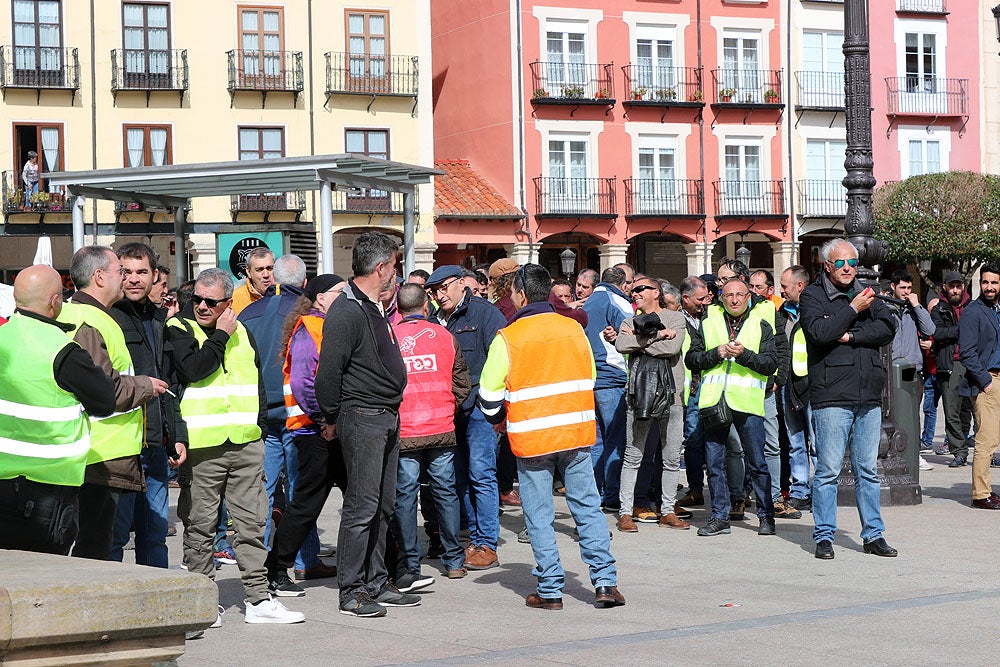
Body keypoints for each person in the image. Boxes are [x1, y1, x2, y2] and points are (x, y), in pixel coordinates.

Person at [479, 263, 625, 611]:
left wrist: (500, 420)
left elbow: (488, 397)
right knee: (587, 508)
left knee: (539, 515)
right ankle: (605, 582)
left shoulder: (508, 337)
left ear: (520, 294)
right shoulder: (574, 329)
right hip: (576, 433)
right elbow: (590, 377)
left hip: (531, 439)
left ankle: (549, 589)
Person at [166, 268, 304, 623]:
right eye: (197, 299)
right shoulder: (179, 328)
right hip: (202, 447)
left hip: (245, 444)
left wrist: (259, 429)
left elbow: (256, 384)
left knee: (252, 524)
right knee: (200, 525)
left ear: (228, 303)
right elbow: (193, 369)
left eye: (210, 302)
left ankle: (258, 599)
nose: (201, 306)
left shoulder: (243, 331)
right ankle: (202, 602)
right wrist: (220, 335)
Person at [315, 231, 418, 617]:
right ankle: (352, 590)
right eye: (394, 266)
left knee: (383, 505)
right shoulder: (346, 310)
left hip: (385, 415)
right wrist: (332, 416)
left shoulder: (374, 307)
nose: (396, 273)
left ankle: (376, 581)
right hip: (362, 416)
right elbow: (328, 374)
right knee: (362, 506)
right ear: (380, 268)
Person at [58, 246, 167, 561]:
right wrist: (145, 385)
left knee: (108, 543)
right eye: (121, 270)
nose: (126, 278)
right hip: (103, 455)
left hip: (108, 451)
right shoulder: (91, 321)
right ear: (99, 276)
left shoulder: (85, 315)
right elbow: (103, 389)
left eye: (138, 272)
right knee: (102, 548)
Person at [0, 265, 115, 554]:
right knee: (43, 571)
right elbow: (105, 401)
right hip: (46, 490)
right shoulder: (63, 350)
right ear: (54, 301)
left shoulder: (3, 337)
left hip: (4, 481)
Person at [238, 255, 335, 582]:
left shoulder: (248, 313)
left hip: (261, 413)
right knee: (300, 490)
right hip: (298, 412)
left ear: (273, 279)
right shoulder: (307, 315)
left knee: (263, 491)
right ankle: (305, 560)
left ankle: (262, 565)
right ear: (305, 283)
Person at [800, 239, 897, 559]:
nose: (847, 269)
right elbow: (819, 333)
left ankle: (874, 535)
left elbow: (887, 328)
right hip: (832, 395)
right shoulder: (813, 295)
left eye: (852, 263)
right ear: (827, 265)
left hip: (868, 394)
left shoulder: (868, 293)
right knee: (828, 470)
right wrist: (853, 309)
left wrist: (851, 335)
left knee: (867, 470)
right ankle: (824, 535)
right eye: (840, 263)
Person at [265, 274, 350, 597]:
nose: (345, 296)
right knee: (306, 504)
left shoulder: (325, 325)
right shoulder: (308, 329)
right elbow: (303, 382)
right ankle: (276, 569)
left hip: (326, 428)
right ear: (320, 298)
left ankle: (389, 564)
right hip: (314, 430)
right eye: (339, 291)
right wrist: (324, 417)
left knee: (357, 499)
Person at [425, 264, 507, 571]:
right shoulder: (434, 321)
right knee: (457, 475)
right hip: (447, 410)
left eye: (443, 287)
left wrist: (495, 408)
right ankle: (471, 534)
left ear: (462, 284)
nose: (439, 295)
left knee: (481, 473)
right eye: (434, 291)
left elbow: (500, 361)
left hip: (478, 408)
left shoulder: (485, 314)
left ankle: (486, 543)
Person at [686, 277, 778, 537]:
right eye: (729, 295)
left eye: (740, 295)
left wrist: (744, 355)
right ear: (721, 298)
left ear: (748, 297)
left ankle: (766, 516)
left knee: (757, 463)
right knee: (715, 464)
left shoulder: (761, 323)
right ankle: (719, 517)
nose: (735, 300)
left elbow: (770, 364)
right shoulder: (708, 321)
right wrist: (717, 353)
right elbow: (692, 359)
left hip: (747, 402)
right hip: (715, 401)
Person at [391, 284, 471, 585]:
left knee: (405, 496)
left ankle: (411, 564)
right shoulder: (445, 336)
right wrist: (449, 407)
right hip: (441, 427)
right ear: (426, 306)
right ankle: (454, 561)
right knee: (445, 492)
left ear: (398, 309)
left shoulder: (390, 337)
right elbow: (462, 383)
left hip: (405, 431)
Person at [109, 243, 183, 568]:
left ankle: (158, 597)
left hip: (154, 445)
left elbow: (170, 384)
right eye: (126, 271)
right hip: (119, 446)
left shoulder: (159, 319)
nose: (134, 279)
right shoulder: (108, 317)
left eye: (142, 272)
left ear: (155, 276)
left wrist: (176, 435)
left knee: (155, 535)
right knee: (114, 539)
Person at [614, 277, 687, 531]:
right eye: (632, 290)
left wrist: (640, 340)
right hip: (639, 396)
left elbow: (672, 348)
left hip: (672, 396)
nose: (634, 293)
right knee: (633, 456)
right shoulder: (628, 322)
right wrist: (658, 335)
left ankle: (667, 510)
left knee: (671, 458)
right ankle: (625, 512)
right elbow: (621, 344)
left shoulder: (675, 318)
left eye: (639, 289)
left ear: (656, 292)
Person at [582, 267, 633, 512]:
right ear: (623, 285)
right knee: (615, 440)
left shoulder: (588, 302)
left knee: (597, 441)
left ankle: (598, 492)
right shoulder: (617, 301)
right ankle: (612, 495)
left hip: (590, 377)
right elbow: (632, 333)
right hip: (612, 376)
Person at [958, 264, 1000, 510]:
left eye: (994, 282)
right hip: (988, 382)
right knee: (987, 439)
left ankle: (987, 490)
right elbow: (967, 352)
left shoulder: (998, 309)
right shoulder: (973, 312)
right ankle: (980, 494)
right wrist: (985, 381)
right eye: (985, 282)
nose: (989, 287)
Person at [887, 269, 936, 472]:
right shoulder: (886, 307)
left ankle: (914, 452)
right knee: (890, 414)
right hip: (890, 368)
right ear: (893, 287)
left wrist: (916, 305)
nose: (906, 292)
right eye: (902, 288)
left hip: (912, 369)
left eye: (909, 287)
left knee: (912, 413)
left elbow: (930, 329)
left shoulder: (914, 309)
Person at [778, 266, 814, 511]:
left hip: (814, 386)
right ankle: (800, 490)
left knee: (817, 443)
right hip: (788, 385)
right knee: (795, 441)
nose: (781, 290)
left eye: (784, 286)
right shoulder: (782, 313)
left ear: (799, 286)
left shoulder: (816, 309)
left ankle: (821, 490)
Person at [931, 271, 974, 467]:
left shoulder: (973, 307)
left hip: (973, 362)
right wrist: (961, 330)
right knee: (951, 411)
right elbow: (937, 333)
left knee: (977, 410)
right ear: (945, 287)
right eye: (952, 286)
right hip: (950, 364)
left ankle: (985, 452)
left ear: (963, 287)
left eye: (958, 286)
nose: (955, 290)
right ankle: (959, 451)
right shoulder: (938, 309)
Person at [677, 276, 713, 509]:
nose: (704, 303)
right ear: (686, 298)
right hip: (692, 389)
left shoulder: (711, 316)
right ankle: (696, 489)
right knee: (693, 440)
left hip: (713, 386)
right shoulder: (677, 321)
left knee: (716, 441)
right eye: (700, 299)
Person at [231, 247, 275, 314]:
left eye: (270, 268)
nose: (266, 275)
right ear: (249, 272)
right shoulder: (234, 299)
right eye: (259, 270)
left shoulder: (284, 294)